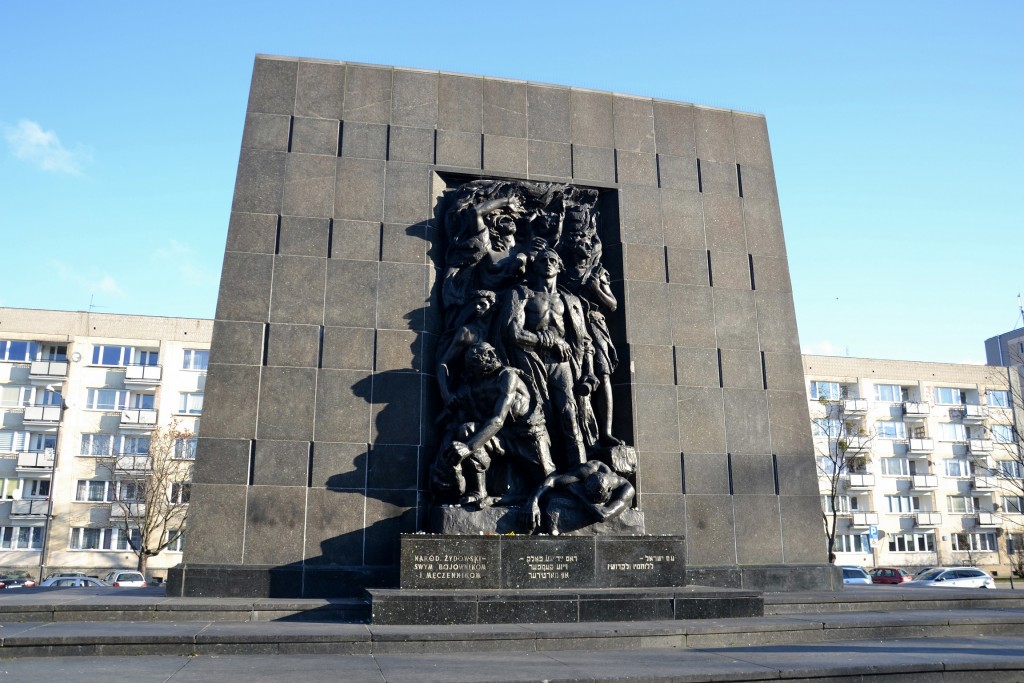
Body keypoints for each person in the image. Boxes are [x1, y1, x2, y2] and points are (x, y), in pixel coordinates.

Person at [504, 248, 597, 467]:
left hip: (562, 363)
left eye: (553, 260)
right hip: (530, 360)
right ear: (535, 266)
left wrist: (590, 372)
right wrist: (550, 340)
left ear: (560, 267)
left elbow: (585, 341)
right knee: (537, 416)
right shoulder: (521, 294)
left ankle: (579, 469)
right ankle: (545, 471)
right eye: (543, 260)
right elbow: (513, 332)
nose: (548, 263)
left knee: (569, 414)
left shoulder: (571, 301)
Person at [433, 342, 554, 507]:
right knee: (467, 429)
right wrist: (450, 399)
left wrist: (468, 447)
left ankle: (514, 498)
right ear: (473, 365)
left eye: (491, 352)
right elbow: (450, 418)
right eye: (485, 355)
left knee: (547, 483)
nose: (493, 357)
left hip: (528, 435)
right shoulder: (471, 387)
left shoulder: (507, 376)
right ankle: (478, 492)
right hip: (502, 437)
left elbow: (498, 419)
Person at [526, 460, 634, 535]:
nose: (586, 495)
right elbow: (553, 481)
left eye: (592, 498)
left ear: (609, 490)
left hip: (598, 511)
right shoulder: (591, 468)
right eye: (585, 491)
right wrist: (534, 502)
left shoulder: (626, 490)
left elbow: (604, 515)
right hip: (571, 503)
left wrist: (579, 494)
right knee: (552, 499)